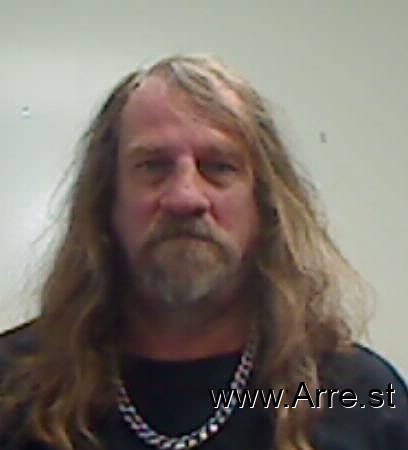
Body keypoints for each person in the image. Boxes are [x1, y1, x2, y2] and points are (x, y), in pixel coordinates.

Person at [0, 54, 407, 450]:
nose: (185, 197)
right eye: (154, 166)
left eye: (219, 166)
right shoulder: (12, 387)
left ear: (265, 204)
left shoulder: (362, 398)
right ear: (107, 201)